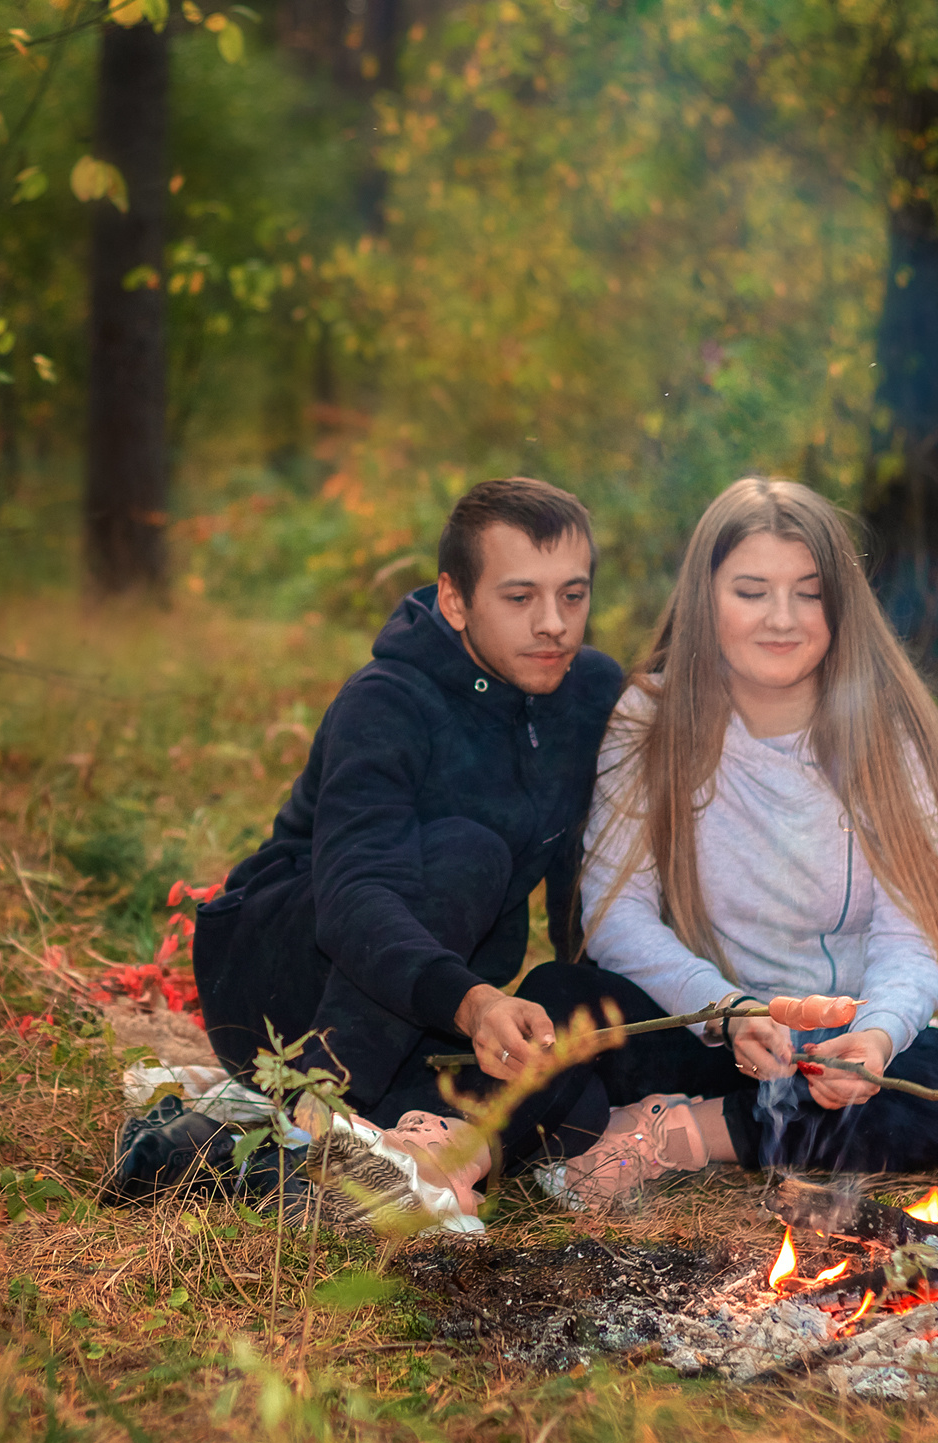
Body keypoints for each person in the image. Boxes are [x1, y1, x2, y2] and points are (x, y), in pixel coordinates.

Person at [106, 477, 627, 1223]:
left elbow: (588, 882)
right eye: (520, 598)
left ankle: (207, 1147)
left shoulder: (591, 694)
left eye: (572, 596)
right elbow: (353, 900)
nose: (554, 625)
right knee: (470, 854)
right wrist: (473, 1000)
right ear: (456, 600)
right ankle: (313, 1132)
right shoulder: (388, 700)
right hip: (285, 975)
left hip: (423, 999)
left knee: (575, 1092)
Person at [514, 475, 938, 1209]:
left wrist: (875, 1037)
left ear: (840, 605)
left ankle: (687, 1136)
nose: (782, 617)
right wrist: (726, 1011)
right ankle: (725, 1119)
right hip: (708, 1033)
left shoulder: (886, 731)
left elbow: (914, 938)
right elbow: (615, 918)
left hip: (837, 1060)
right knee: (555, 999)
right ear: (705, 598)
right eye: (751, 591)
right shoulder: (651, 718)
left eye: (809, 593)